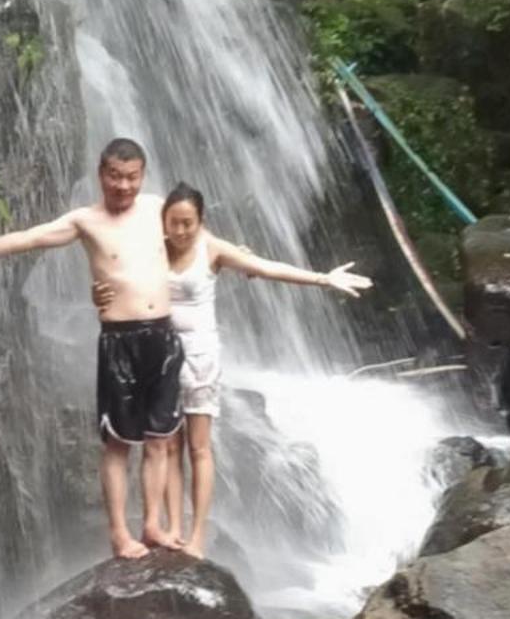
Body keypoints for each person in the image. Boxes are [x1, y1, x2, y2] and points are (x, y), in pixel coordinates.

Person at [0, 138, 183, 561]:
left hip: (164, 336)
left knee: (159, 441)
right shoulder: (86, 220)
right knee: (118, 444)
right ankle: (120, 534)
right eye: (115, 176)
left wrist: (233, 260)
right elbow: (29, 239)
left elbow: (196, 240)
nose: (123, 186)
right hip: (120, 341)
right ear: (101, 174)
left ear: (143, 176)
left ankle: (152, 523)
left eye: (131, 177)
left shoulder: (157, 209)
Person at [98, 182, 372, 557]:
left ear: (201, 221)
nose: (180, 231)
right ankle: (171, 527)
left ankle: (197, 536)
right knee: (167, 445)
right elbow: (113, 267)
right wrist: (100, 294)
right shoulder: (153, 248)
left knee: (199, 447)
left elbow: (264, 267)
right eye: (174, 223)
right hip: (159, 353)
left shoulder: (212, 249)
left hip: (199, 355)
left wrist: (323, 278)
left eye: (187, 224)